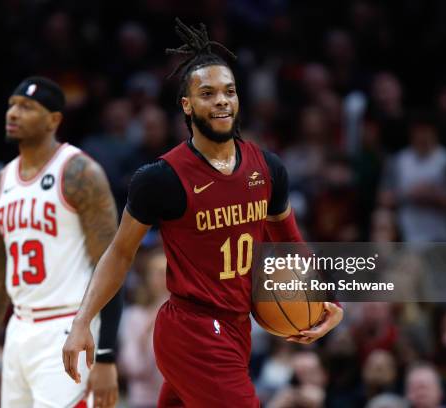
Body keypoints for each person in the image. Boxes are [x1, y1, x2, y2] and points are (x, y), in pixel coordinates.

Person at [63, 20, 343, 407]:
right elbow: (120, 252)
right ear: (187, 105)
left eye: (229, 91)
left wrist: (328, 299)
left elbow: (290, 241)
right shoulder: (160, 178)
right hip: (192, 329)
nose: (222, 101)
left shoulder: (269, 168)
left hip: (236, 328)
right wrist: (82, 320)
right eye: (207, 93)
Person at [0, 77, 121, 408]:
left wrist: (107, 354)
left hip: (68, 326)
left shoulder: (79, 172)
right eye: (12, 105)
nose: (14, 113)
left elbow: (112, 265)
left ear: (54, 120)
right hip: (19, 330)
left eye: (27, 107)